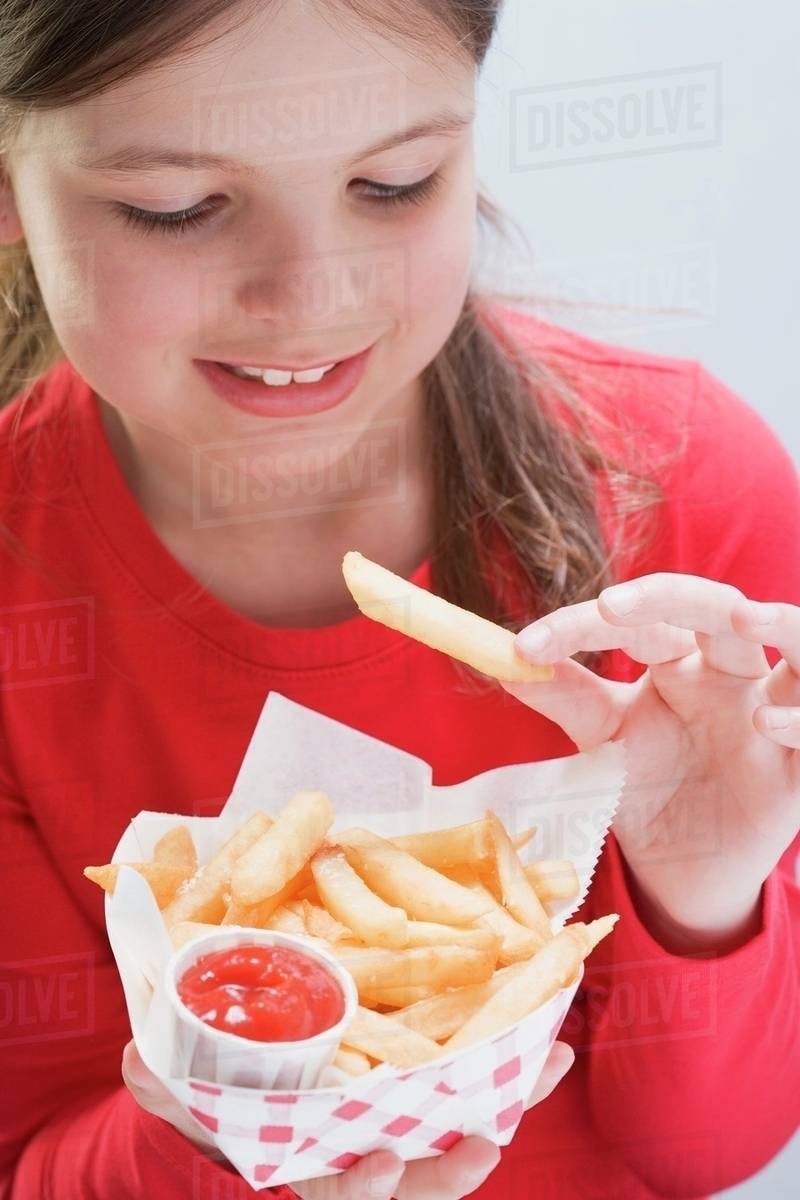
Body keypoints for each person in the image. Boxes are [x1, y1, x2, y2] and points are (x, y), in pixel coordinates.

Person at [0, 2, 797, 1198]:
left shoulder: (690, 496)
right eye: (177, 206)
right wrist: (218, 1131)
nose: (308, 297)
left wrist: (702, 889)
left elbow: (713, 1156)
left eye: (393, 185)